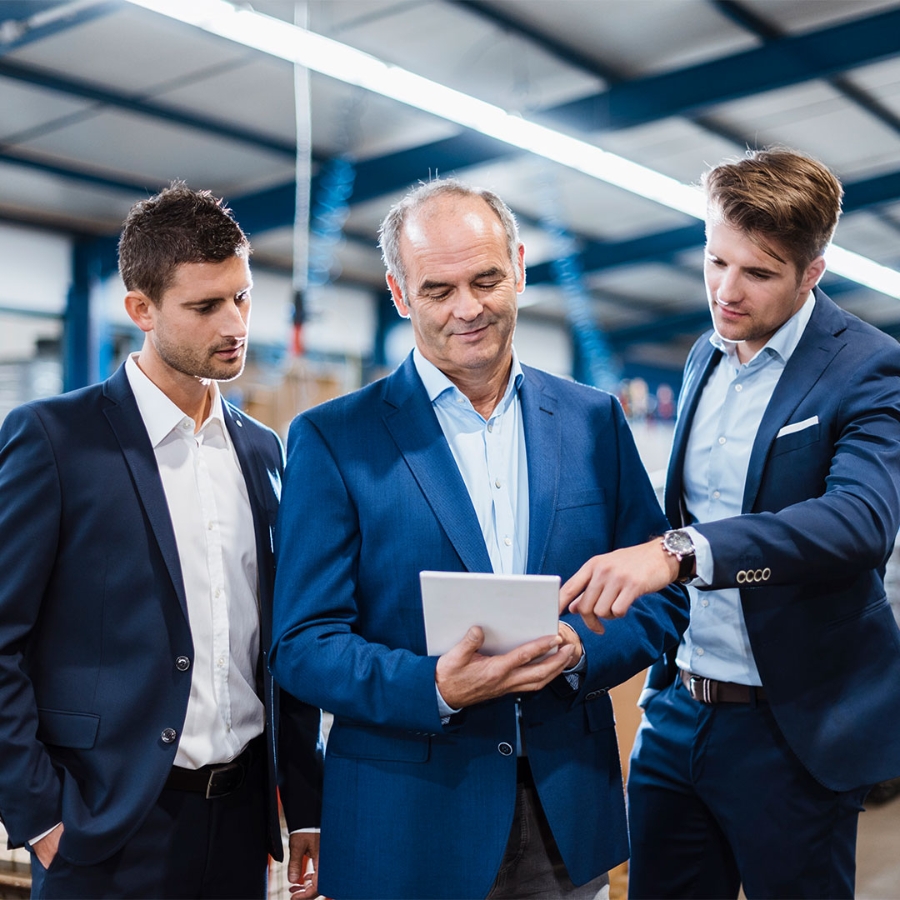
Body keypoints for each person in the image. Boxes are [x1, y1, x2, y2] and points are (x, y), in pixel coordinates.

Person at [269, 178, 689, 900]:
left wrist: (584, 649)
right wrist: (433, 686)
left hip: (566, 813)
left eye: (487, 279)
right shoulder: (336, 440)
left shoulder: (594, 422)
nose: (468, 308)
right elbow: (303, 645)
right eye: (438, 290)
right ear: (401, 296)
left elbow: (660, 598)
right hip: (406, 828)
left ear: (520, 268)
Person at [561, 148, 900, 899]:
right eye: (716, 261)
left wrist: (683, 552)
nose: (726, 292)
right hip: (677, 710)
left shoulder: (867, 367)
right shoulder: (702, 358)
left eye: (758, 272)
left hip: (791, 730)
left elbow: (859, 521)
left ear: (813, 271)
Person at [0, 184, 323, 899]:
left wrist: (306, 806)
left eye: (241, 297)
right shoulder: (55, 440)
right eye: (206, 306)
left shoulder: (265, 452)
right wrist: (42, 816)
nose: (235, 322)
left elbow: (283, 640)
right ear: (141, 310)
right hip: (107, 824)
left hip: (241, 826)